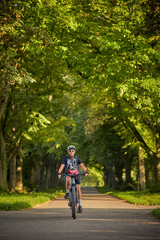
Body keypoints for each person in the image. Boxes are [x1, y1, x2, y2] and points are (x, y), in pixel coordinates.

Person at [58, 145, 88, 213]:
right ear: (68, 152)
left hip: (76, 174)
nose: (71, 152)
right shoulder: (65, 158)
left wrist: (86, 171)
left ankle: (80, 205)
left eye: (73, 151)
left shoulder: (77, 158)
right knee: (68, 179)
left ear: (74, 152)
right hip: (69, 174)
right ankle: (67, 192)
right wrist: (59, 173)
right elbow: (62, 166)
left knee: (78, 188)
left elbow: (82, 165)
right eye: (70, 151)